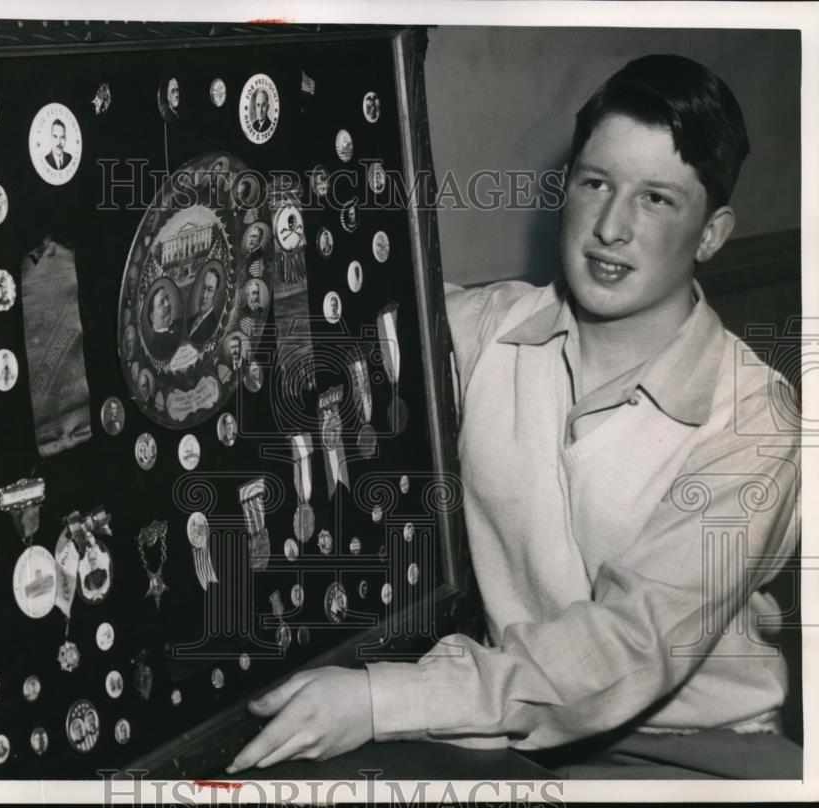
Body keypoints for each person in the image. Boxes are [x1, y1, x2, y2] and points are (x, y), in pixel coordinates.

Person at [228, 55, 801, 780]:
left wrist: (381, 699)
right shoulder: (489, 328)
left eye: (657, 199)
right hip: (500, 724)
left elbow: (628, 647)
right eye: (596, 183)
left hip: (696, 755)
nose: (611, 227)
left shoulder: (758, 425)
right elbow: (357, 303)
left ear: (713, 234)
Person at [147, 284, 181, 360]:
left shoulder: (180, 323)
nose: (168, 304)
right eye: (162, 302)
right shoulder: (155, 350)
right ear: (153, 317)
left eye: (167, 298)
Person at [188, 267, 220, 345]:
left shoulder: (213, 327)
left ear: (215, 294)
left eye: (210, 290)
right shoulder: (189, 321)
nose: (204, 295)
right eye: (204, 288)